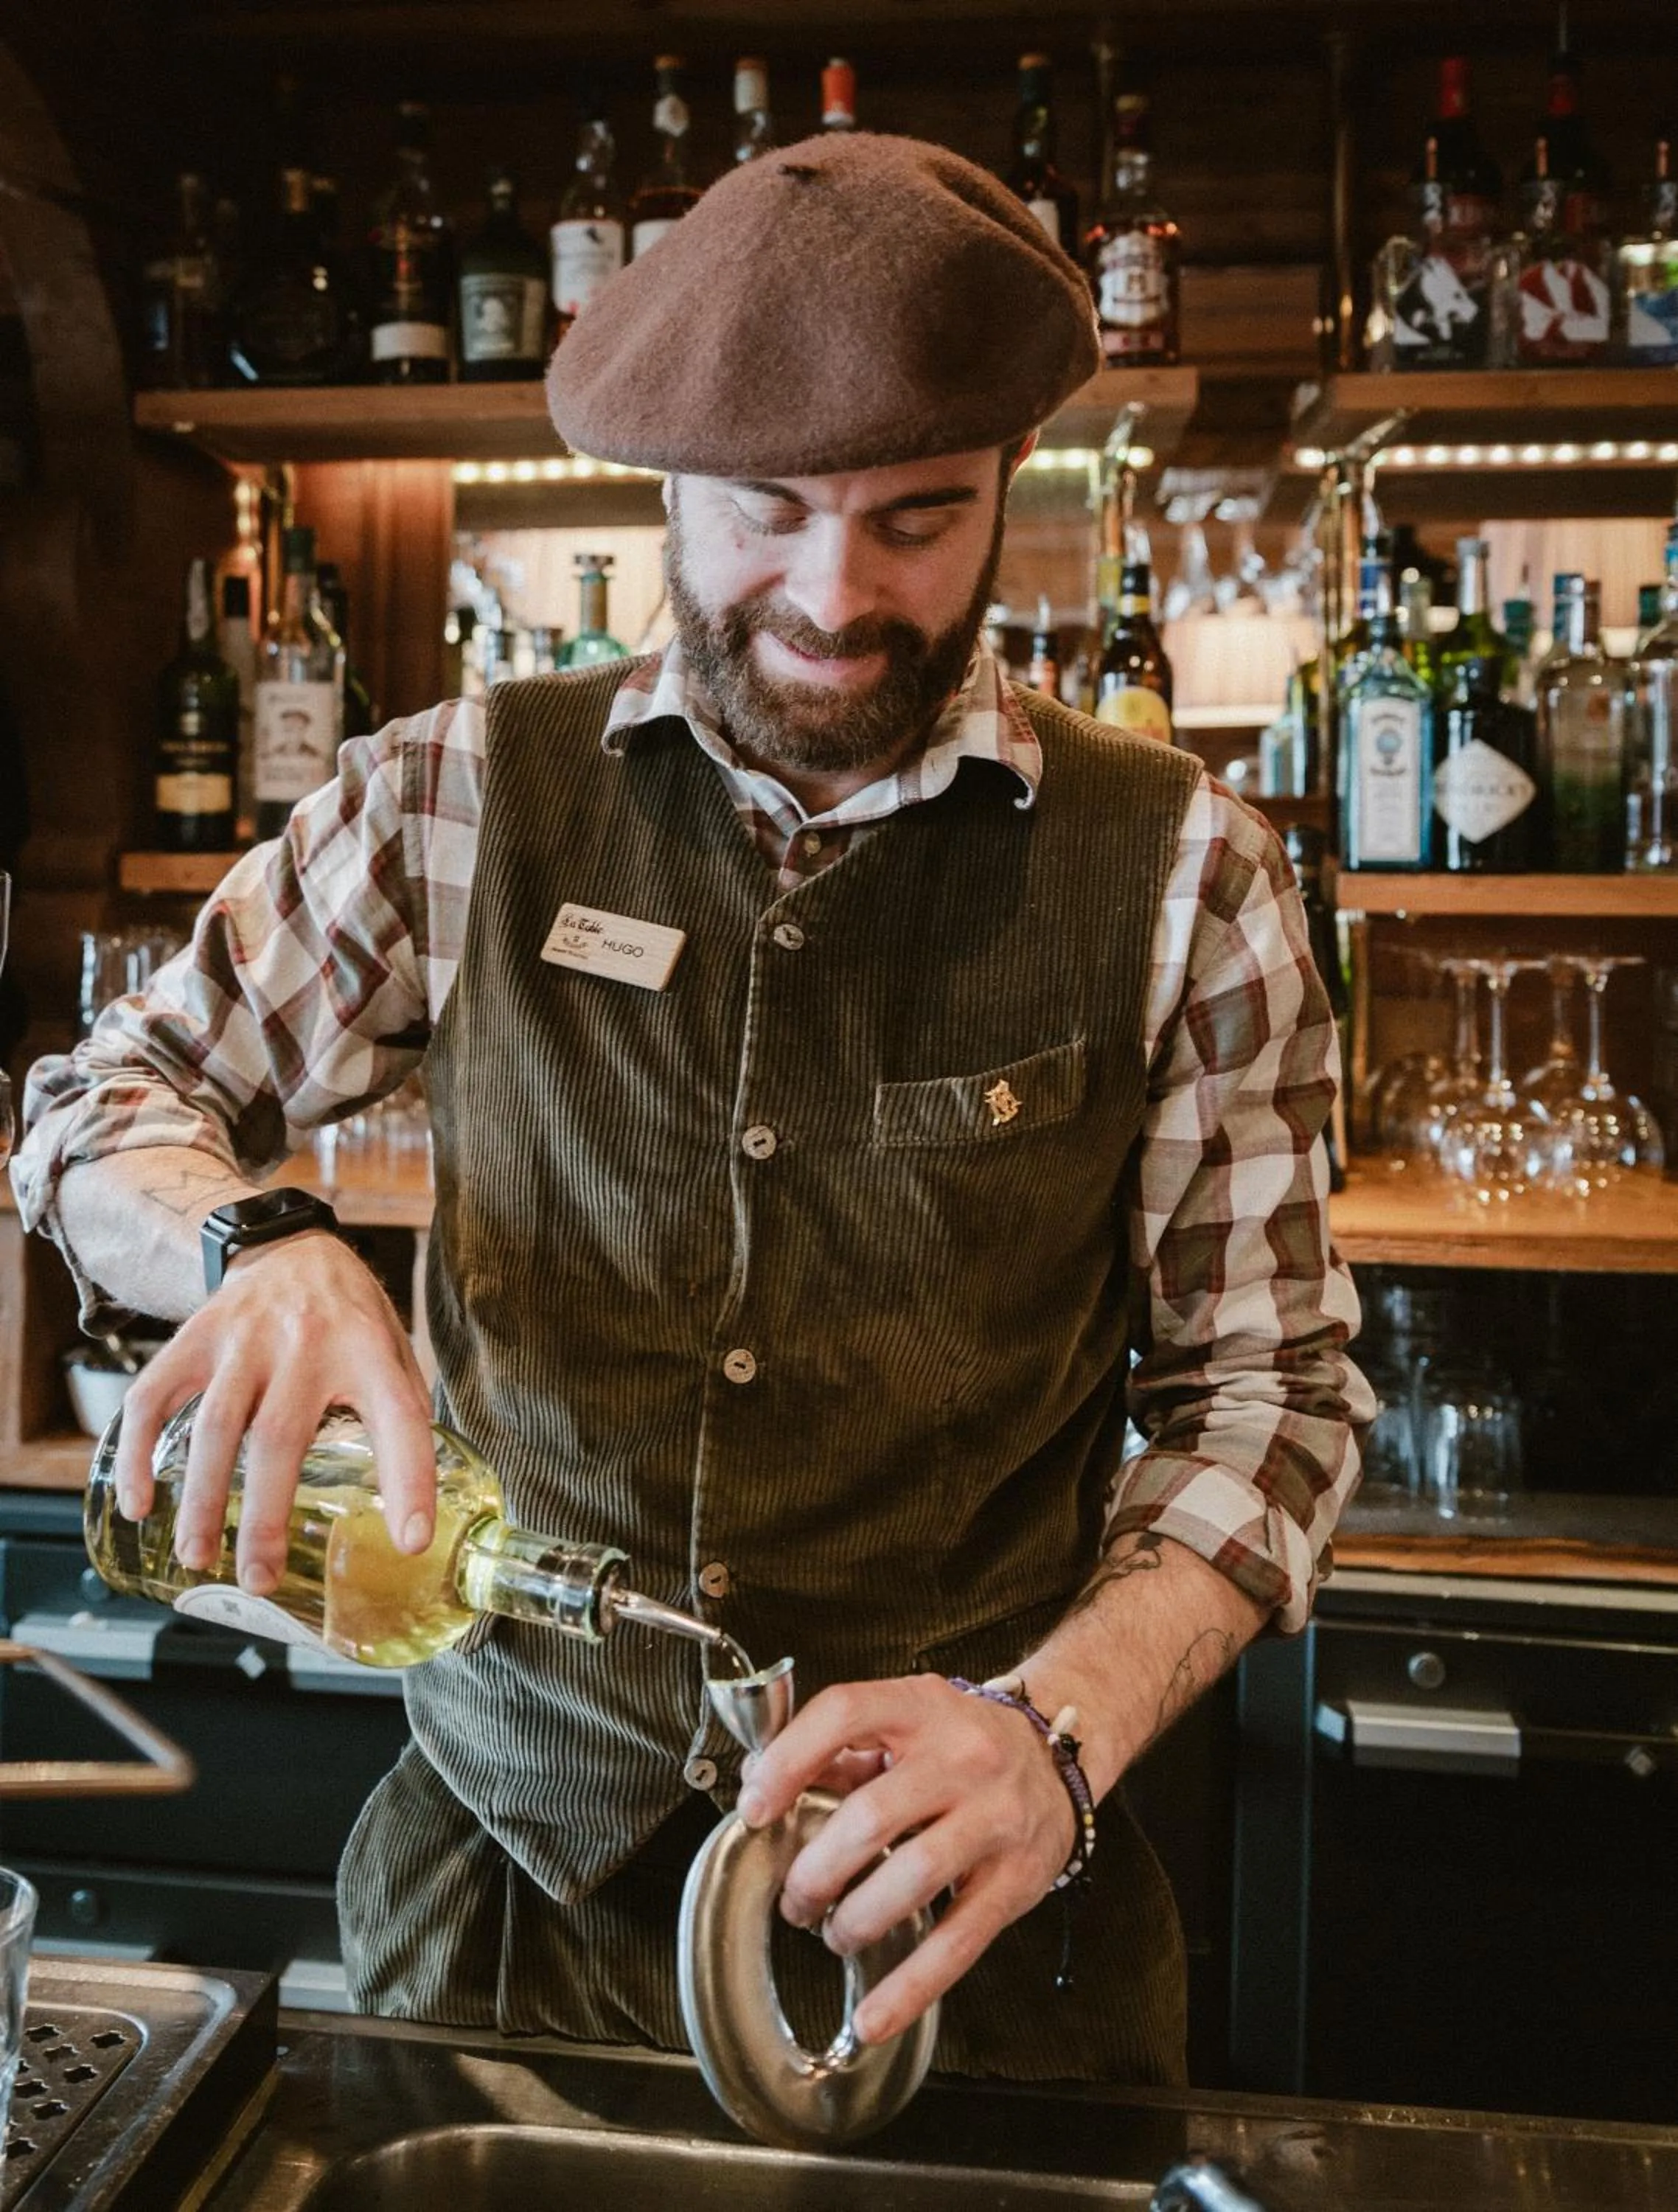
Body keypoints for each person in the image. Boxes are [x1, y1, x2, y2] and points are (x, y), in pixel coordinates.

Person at [12, 133, 1370, 2079]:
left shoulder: (1185, 873)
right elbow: (92, 1105)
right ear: (658, 488)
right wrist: (253, 1240)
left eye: (919, 516)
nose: (836, 596)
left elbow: (1269, 1399)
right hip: (500, 1918)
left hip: (967, 1957)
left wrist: (1055, 1733)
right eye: (763, 512)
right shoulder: (450, 796)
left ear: (1014, 493)